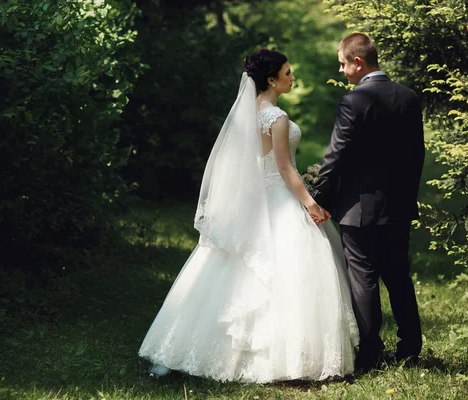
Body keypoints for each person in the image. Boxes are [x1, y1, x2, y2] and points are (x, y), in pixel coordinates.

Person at [138, 49, 359, 383]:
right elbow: (285, 169)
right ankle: (286, 359)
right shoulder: (277, 117)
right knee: (290, 274)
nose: (292, 77)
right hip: (280, 198)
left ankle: (194, 349)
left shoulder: (247, 113)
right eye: (287, 73)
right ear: (271, 80)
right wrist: (311, 204)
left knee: (229, 271)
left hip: (255, 201)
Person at [311, 33, 425, 372]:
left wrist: (318, 199)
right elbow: (416, 156)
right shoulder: (408, 97)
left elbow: (336, 157)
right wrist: (406, 199)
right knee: (399, 276)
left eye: (343, 63)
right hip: (398, 207)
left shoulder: (354, 101)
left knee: (364, 280)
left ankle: (370, 354)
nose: (342, 69)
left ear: (358, 62)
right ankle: (409, 349)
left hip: (358, 208)